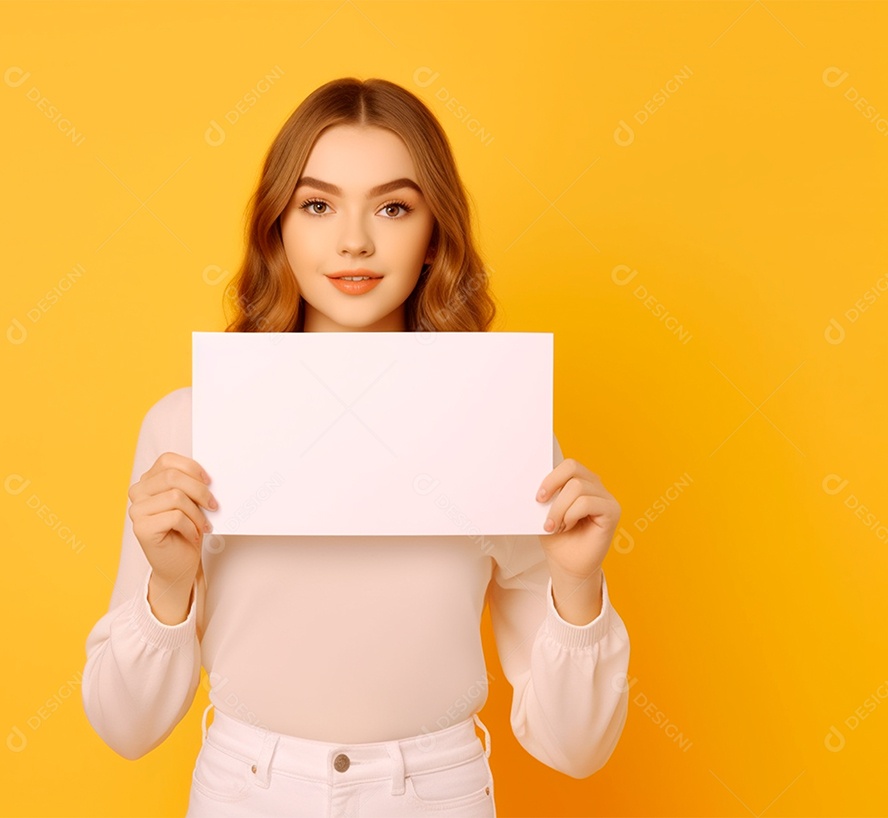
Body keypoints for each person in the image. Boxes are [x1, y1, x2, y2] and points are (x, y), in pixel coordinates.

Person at [82, 76, 631, 818]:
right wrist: (169, 588)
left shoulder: (501, 424)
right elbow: (126, 727)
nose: (354, 241)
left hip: (436, 792)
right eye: (317, 205)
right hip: (248, 790)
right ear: (277, 226)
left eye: (394, 207)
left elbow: (576, 748)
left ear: (435, 232)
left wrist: (577, 586)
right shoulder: (187, 427)